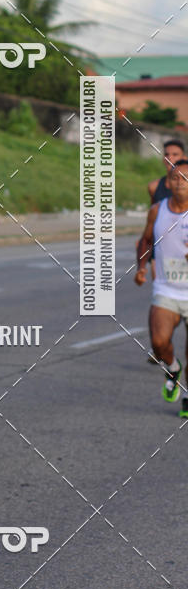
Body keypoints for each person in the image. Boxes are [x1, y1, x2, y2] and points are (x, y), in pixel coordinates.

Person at [135, 160, 188, 417]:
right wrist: (141, 267)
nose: (180, 182)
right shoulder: (157, 211)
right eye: (176, 178)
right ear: (168, 183)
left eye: (186, 178)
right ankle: (172, 367)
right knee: (158, 342)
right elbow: (146, 239)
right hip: (166, 288)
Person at [144, 139, 187, 362]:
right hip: (163, 256)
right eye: (167, 154)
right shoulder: (155, 187)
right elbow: (152, 224)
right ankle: (161, 344)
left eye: (176, 154)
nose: (171, 158)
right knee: (162, 295)